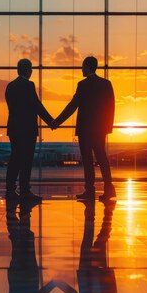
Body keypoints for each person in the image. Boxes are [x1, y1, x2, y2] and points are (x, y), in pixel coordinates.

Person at [51, 56, 116, 201]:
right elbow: (111, 107)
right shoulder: (106, 84)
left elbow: (72, 107)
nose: (81, 69)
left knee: (87, 161)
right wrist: (107, 127)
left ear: (87, 67)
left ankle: (90, 190)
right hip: (100, 129)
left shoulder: (83, 85)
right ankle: (109, 189)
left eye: (82, 66)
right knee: (102, 158)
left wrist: (56, 122)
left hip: (85, 130)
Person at [55, 199, 117, 293]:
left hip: (100, 272)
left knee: (100, 241)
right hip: (85, 271)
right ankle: (92, 211)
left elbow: (112, 292)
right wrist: (56, 283)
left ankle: (107, 214)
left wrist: (108, 274)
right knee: (88, 238)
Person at [5, 58, 54, 202]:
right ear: (28, 70)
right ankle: (25, 191)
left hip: (13, 128)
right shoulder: (28, 85)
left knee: (14, 159)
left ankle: (10, 190)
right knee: (26, 161)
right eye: (31, 68)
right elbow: (36, 105)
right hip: (27, 129)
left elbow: (12, 107)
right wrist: (51, 121)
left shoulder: (10, 86)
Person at [5, 200, 56, 293]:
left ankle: (23, 211)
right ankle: (12, 212)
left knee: (25, 239)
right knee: (16, 242)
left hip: (30, 273)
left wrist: (55, 283)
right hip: (16, 273)